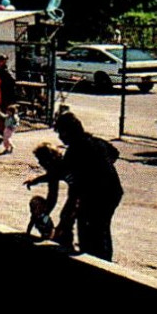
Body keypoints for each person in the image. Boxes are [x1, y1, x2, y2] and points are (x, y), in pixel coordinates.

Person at [52, 112, 124, 261]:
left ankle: (94, 259)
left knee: (90, 226)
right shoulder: (96, 141)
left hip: (99, 193)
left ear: (68, 132)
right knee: (102, 227)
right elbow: (114, 153)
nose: (60, 137)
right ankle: (102, 258)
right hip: (112, 191)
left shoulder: (75, 149)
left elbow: (62, 172)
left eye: (61, 133)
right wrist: (102, 164)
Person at [25, 143, 72, 247]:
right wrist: (45, 212)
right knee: (66, 216)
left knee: (68, 216)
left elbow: (51, 177)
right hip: (79, 192)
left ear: (49, 159)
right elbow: (52, 195)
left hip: (91, 190)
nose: (39, 163)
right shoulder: (54, 168)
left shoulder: (63, 166)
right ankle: (59, 237)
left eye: (41, 160)